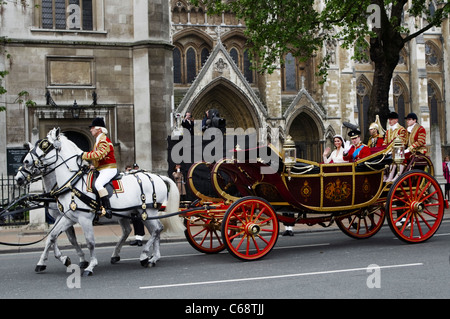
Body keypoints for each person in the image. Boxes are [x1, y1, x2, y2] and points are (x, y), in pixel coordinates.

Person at [82, 117, 117, 218]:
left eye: (92, 128)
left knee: (98, 184)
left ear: (99, 129)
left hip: (109, 169)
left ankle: (107, 208)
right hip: (102, 169)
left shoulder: (104, 141)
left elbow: (98, 154)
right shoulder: (99, 140)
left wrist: (83, 155)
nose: (90, 130)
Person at [383, 112, 407, 182]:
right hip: (390, 150)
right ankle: (385, 175)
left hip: (398, 149)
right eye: (389, 119)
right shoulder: (388, 130)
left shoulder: (401, 129)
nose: (389, 121)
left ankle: (394, 176)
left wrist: (390, 149)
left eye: (391, 119)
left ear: (396, 120)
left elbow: (402, 142)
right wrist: (384, 149)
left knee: (395, 156)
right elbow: (385, 142)